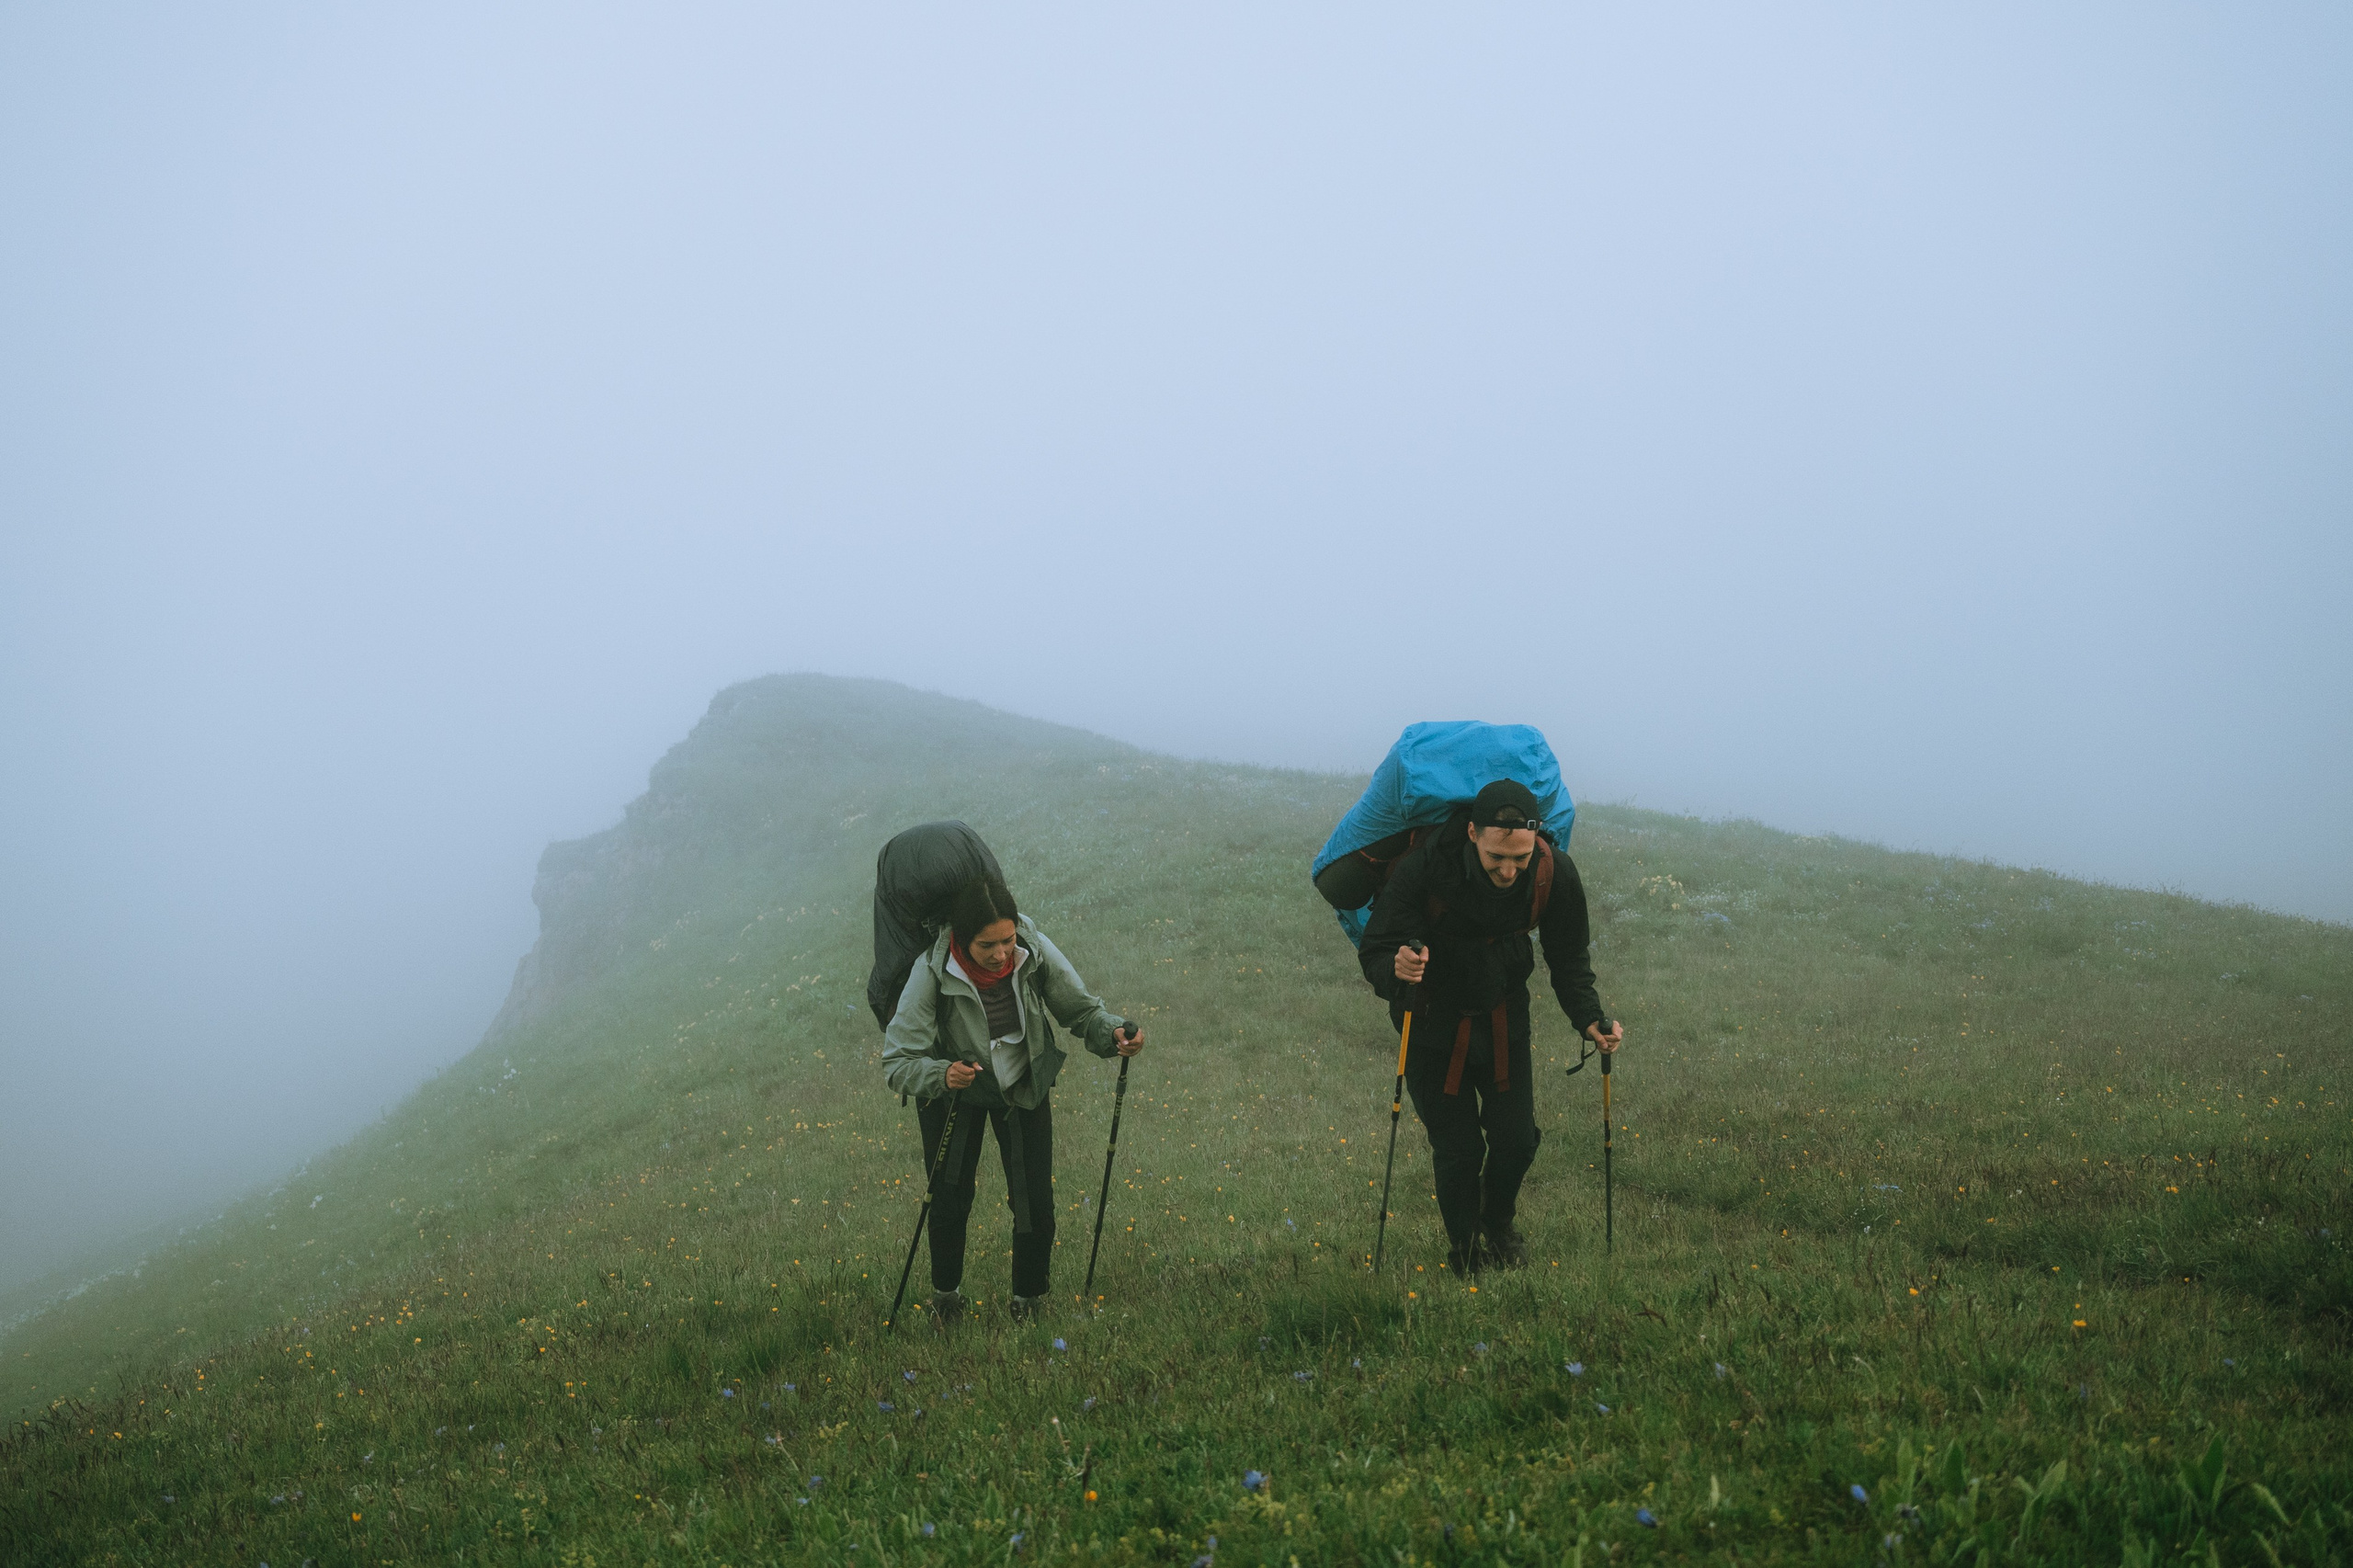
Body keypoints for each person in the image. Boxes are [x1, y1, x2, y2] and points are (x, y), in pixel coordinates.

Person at [1357, 778, 1621, 1274]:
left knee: (1516, 1141)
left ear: (1536, 841)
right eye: (1497, 856)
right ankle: (1465, 1250)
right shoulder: (1426, 867)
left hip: (1504, 1019)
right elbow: (1377, 947)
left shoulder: (1553, 872)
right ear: (1472, 833)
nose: (1508, 870)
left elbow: (1568, 955)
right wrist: (1397, 968)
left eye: (1520, 858)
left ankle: (1497, 1226)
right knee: (1458, 1148)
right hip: (1431, 1022)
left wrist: (1589, 1017)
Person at [881, 873, 1143, 1323]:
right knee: (948, 1199)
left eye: (1007, 940)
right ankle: (946, 1300)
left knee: (1034, 1201)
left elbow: (1081, 1010)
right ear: (962, 940)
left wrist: (1114, 1032)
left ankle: (1029, 1302)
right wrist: (942, 1074)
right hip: (955, 1094)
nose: (1002, 953)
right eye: (987, 945)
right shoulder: (931, 969)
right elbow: (898, 1061)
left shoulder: (1032, 947)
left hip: (1023, 1085)